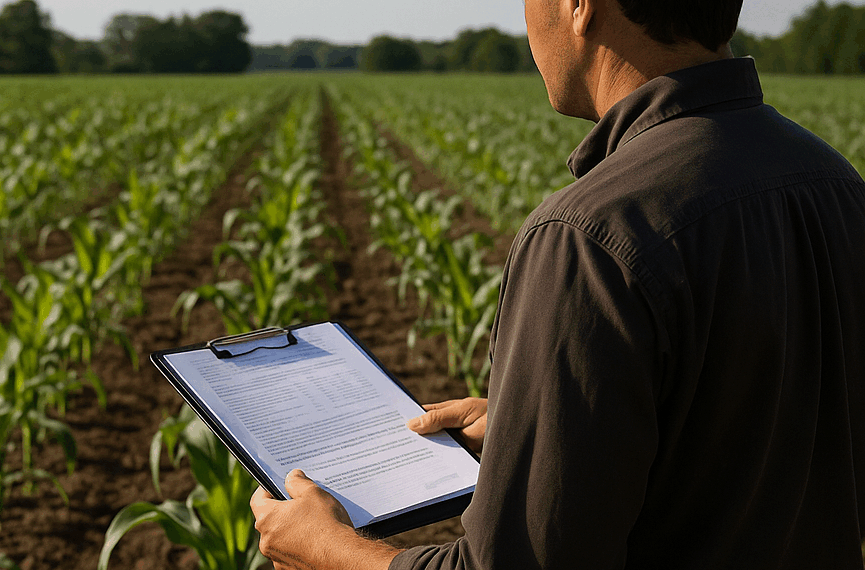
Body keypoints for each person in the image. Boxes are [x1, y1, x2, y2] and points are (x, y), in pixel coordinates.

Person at [250, 0, 865, 567]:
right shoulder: (837, 184)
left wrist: (328, 549)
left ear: (579, 6)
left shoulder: (591, 233)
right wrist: (550, 430)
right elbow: (765, 431)